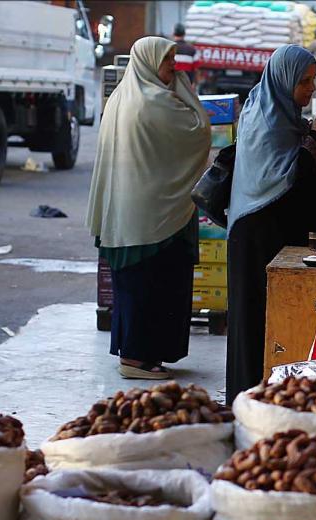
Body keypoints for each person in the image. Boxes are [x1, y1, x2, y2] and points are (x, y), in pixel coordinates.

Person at [85, 37, 211, 380]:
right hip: (154, 217)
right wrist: (185, 89)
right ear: (148, 63)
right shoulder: (155, 102)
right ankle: (138, 359)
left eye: (173, 58)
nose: (174, 66)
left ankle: (136, 354)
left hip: (125, 214)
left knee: (134, 286)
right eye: (167, 60)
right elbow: (200, 132)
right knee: (151, 286)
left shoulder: (121, 98)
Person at [226, 45, 316, 403]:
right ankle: (247, 397)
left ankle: (276, 398)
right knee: (255, 322)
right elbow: (281, 180)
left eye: (312, 81)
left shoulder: (285, 115)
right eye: (303, 82)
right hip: (258, 235)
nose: (310, 89)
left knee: (282, 321)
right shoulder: (266, 120)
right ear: (283, 80)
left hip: (279, 235)